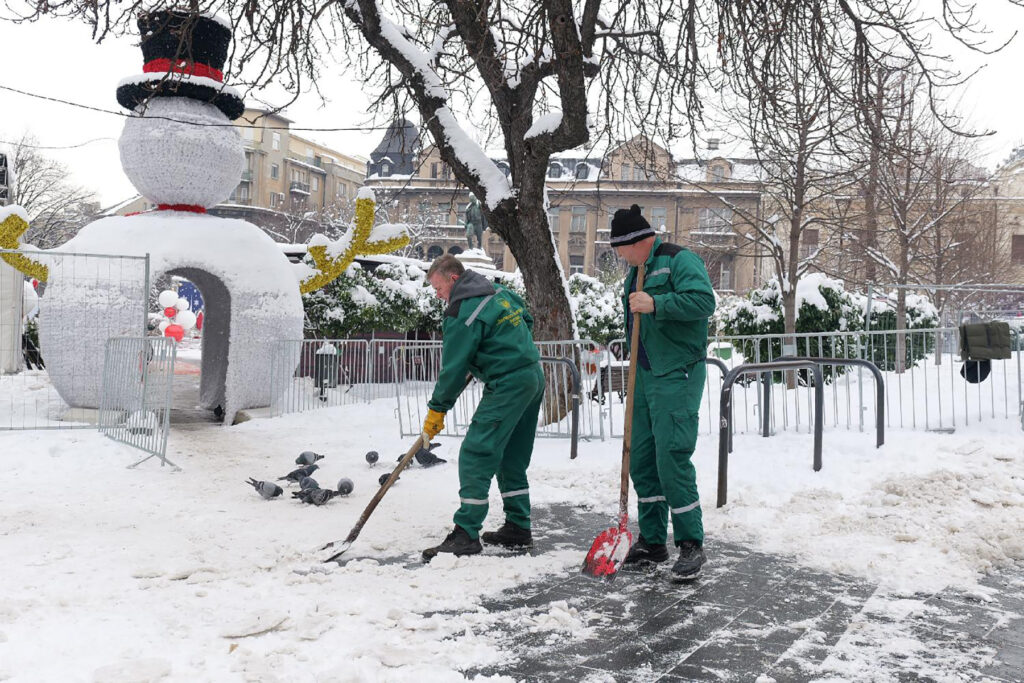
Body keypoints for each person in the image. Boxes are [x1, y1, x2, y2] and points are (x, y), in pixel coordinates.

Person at [611, 204, 716, 581]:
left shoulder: (678, 260)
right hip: (643, 375)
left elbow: (705, 303)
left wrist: (657, 303)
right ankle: (653, 541)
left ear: (638, 241)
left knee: (671, 457)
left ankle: (691, 544)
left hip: (677, 373)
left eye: (621, 249)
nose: (619, 256)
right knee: (642, 459)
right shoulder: (636, 270)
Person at [420, 254, 545, 560]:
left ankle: (466, 532)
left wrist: (438, 410)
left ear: (453, 278)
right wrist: (496, 352)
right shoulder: (498, 292)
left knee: (476, 452)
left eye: (438, 288)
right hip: (532, 375)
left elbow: (452, 369)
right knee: (511, 457)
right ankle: (518, 527)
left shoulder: (462, 311)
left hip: (508, 384)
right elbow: (525, 320)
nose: (437, 296)